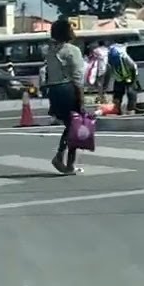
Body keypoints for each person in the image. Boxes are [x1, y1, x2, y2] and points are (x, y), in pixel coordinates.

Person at [42, 17, 86, 175]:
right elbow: (78, 77)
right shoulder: (72, 50)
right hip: (67, 89)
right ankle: (64, 160)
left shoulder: (51, 51)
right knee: (74, 126)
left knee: (70, 126)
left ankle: (66, 160)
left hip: (54, 91)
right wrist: (81, 99)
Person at [108, 43, 139, 114]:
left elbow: (134, 67)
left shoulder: (124, 58)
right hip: (119, 78)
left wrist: (134, 80)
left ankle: (130, 110)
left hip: (129, 77)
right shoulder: (110, 59)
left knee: (131, 93)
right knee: (117, 94)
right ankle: (117, 109)